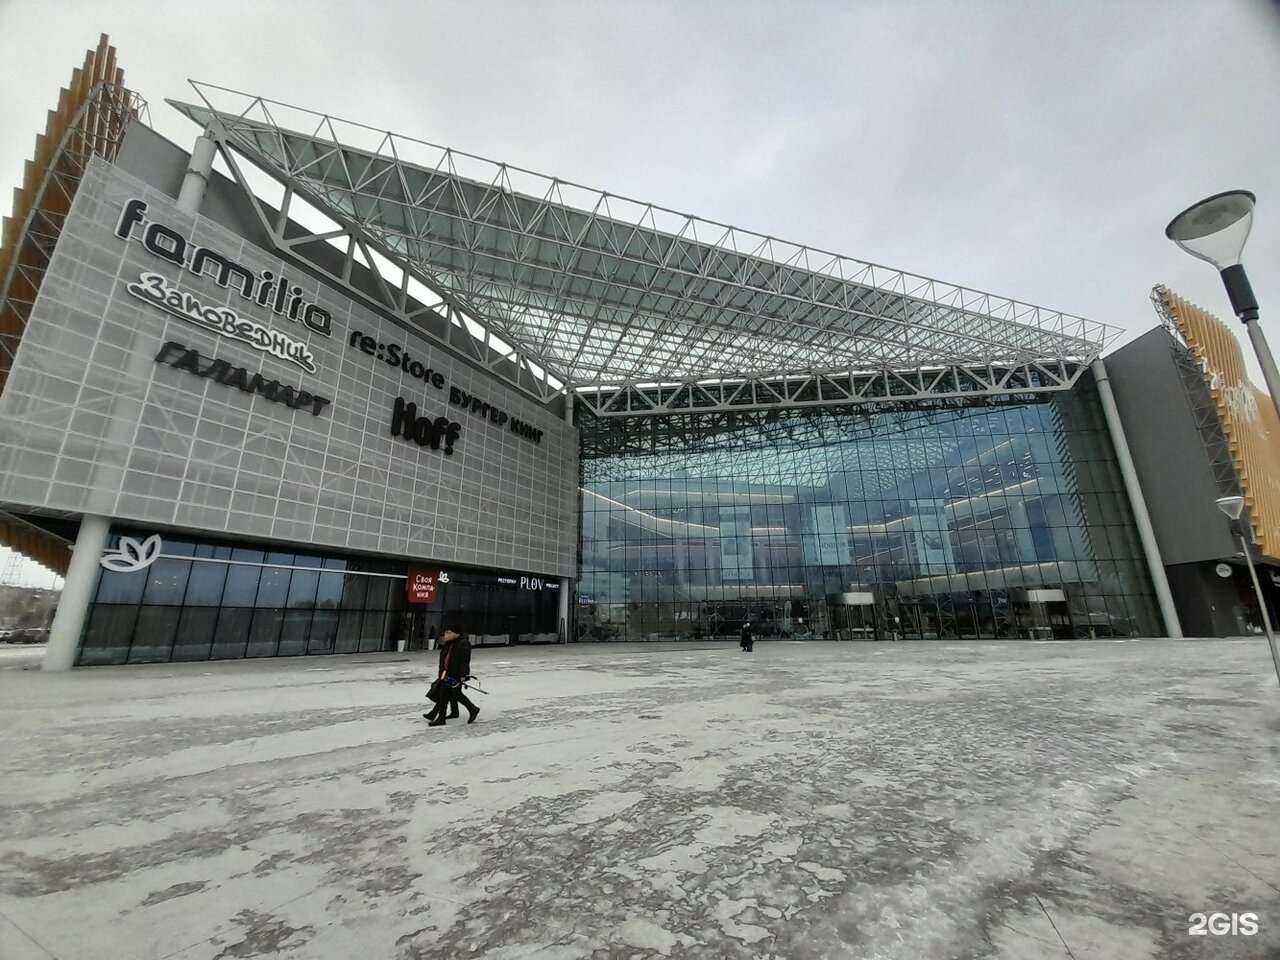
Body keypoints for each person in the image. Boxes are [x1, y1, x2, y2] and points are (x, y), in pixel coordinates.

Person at [424, 629, 479, 726]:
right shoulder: (449, 643)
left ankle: (471, 709)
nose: (446, 635)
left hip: (455, 674)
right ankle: (444, 715)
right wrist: (441, 673)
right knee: (448, 695)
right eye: (446, 633)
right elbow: (445, 659)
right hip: (447, 673)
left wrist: (463, 675)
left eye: (448, 633)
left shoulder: (463, 643)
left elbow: (465, 661)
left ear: (456, 633)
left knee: (453, 695)